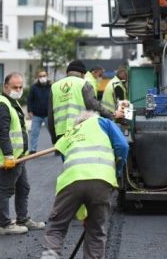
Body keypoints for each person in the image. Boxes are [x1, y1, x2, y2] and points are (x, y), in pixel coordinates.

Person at [40, 110, 129, 259]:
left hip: (71, 180)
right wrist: (116, 171)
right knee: (96, 231)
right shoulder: (103, 122)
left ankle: (50, 256)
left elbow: (66, 160)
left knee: (57, 226)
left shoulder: (69, 133)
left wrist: (82, 213)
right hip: (102, 180)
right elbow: (123, 146)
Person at [0, 72, 45, 235]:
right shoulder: (1, 106)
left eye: (20, 87)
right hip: (10, 158)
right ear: (6, 87)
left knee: (23, 187)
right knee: (6, 190)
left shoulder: (12, 102)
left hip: (19, 156)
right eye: (14, 87)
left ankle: (22, 218)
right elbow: (3, 133)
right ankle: (4, 224)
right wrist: (8, 156)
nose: (18, 90)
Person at [47, 60, 123, 145]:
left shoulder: (54, 87)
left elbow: (50, 115)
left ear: (67, 72)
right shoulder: (83, 83)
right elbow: (94, 105)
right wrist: (112, 115)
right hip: (79, 129)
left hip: (61, 133)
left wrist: (54, 138)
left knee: (68, 158)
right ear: (83, 74)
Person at [27, 71, 51, 153]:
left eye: (44, 75)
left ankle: (57, 148)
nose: (42, 77)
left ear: (47, 76)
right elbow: (29, 100)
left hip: (48, 114)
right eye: (40, 76)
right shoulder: (34, 87)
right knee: (34, 133)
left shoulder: (51, 87)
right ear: (38, 77)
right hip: (37, 115)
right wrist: (29, 111)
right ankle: (33, 150)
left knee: (53, 133)